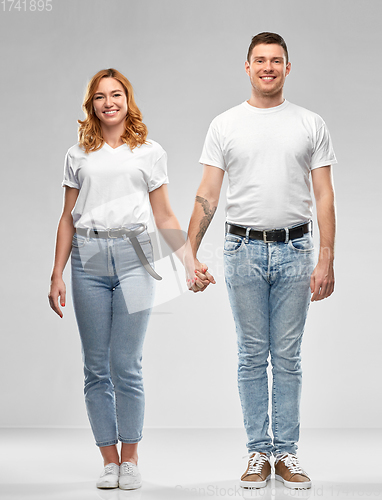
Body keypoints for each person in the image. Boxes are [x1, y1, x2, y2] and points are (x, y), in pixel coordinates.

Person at [186, 32, 337, 489]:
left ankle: (286, 452)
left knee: (286, 356)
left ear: (288, 68)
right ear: (247, 68)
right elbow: (208, 193)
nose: (268, 67)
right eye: (259, 60)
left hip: (296, 249)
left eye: (276, 61)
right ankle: (258, 451)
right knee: (252, 355)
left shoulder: (310, 123)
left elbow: (324, 194)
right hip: (241, 250)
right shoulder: (225, 125)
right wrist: (188, 252)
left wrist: (326, 258)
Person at [48, 68, 210, 490]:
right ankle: (108, 460)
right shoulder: (77, 154)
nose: (108, 102)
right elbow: (67, 218)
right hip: (87, 258)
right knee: (96, 366)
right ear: (91, 105)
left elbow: (165, 215)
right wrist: (56, 274)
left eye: (115, 94)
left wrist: (189, 261)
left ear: (127, 99)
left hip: (135, 255)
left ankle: (132, 458)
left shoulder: (149, 152)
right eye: (99, 96)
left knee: (127, 364)